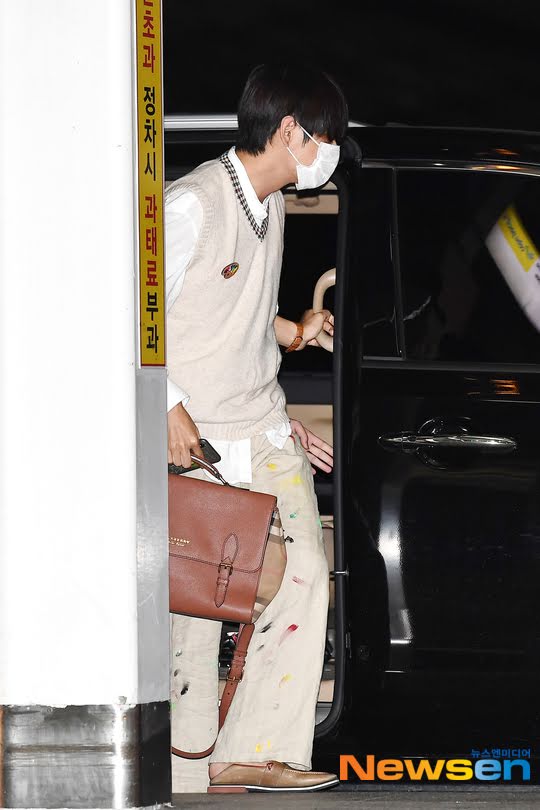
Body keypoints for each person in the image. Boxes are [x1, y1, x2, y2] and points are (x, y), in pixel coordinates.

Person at [165, 62, 348, 794]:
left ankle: (258, 749)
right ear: (290, 131)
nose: (331, 153)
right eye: (327, 137)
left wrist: (291, 331)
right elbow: (131, 312)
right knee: (199, 603)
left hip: (263, 425)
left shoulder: (270, 206)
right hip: (199, 438)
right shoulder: (194, 204)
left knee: (304, 575)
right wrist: (166, 404)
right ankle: (186, 766)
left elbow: (228, 304)